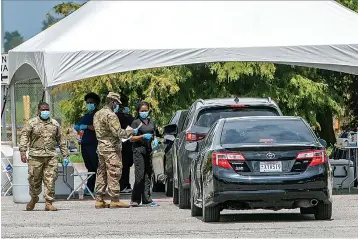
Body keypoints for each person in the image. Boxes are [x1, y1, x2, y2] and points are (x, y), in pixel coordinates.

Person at [19, 102, 69, 211]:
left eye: (47, 109)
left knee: (50, 179)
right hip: (35, 156)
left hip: (51, 156)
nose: (45, 111)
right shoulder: (32, 123)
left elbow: (61, 140)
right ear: (38, 111)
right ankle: (34, 198)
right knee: (34, 179)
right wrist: (23, 152)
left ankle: (49, 202)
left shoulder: (55, 124)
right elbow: (24, 137)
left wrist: (65, 155)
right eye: (43, 109)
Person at [93, 92, 135, 209]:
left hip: (101, 147)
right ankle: (115, 199)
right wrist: (129, 132)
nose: (117, 105)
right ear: (112, 101)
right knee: (114, 172)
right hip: (111, 148)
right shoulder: (111, 115)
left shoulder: (97, 114)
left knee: (101, 172)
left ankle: (99, 199)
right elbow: (118, 132)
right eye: (116, 103)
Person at [130, 101, 160, 207]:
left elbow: (154, 133)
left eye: (146, 110)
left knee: (148, 174)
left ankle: (147, 199)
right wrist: (142, 136)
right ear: (138, 111)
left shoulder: (152, 122)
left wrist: (155, 140)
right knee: (140, 175)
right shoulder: (136, 123)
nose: (144, 112)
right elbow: (131, 138)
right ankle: (135, 199)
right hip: (139, 150)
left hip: (149, 150)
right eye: (142, 111)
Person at [74, 92, 100, 195]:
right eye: (87, 102)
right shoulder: (87, 115)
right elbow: (80, 127)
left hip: (93, 144)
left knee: (94, 166)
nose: (89, 104)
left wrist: (87, 126)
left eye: (91, 102)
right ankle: (89, 188)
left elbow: (97, 127)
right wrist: (78, 129)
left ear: (96, 103)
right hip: (84, 143)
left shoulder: (97, 115)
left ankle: (91, 187)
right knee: (89, 166)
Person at [116, 96, 135, 194]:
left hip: (123, 144)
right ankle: (123, 185)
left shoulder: (118, 116)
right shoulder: (122, 117)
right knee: (124, 166)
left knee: (123, 166)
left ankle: (124, 185)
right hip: (125, 144)